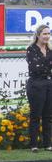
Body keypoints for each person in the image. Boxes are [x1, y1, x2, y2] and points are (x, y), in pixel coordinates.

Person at [25, 24, 52, 152]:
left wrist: (45, 69)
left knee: (48, 116)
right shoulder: (31, 49)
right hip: (35, 85)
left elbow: (42, 67)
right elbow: (35, 68)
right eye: (44, 34)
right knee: (36, 115)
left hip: (48, 84)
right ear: (38, 35)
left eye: (48, 34)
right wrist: (47, 68)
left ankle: (47, 144)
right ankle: (34, 144)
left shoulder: (50, 50)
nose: (47, 36)